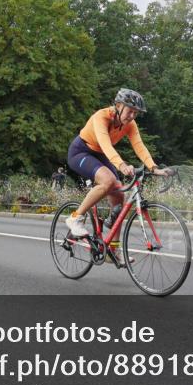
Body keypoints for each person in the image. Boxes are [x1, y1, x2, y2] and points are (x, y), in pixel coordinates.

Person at [65, 89, 169, 263]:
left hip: (100, 155)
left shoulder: (130, 124)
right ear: (118, 106)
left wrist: (154, 167)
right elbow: (105, 144)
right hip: (80, 151)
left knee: (119, 194)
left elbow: (139, 146)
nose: (132, 116)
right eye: (130, 111)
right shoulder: (101, 117)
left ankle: (112, 250)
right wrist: (121, 165)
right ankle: (75, 218)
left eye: (136, 113)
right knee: (108, 181)